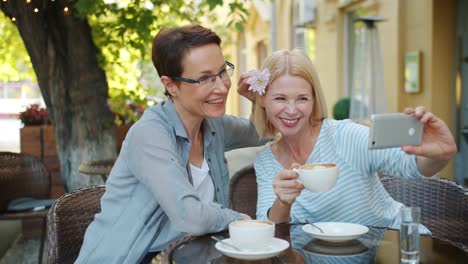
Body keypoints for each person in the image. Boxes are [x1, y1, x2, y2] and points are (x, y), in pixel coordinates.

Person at [76, 25, 262, 263]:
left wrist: (257, 100)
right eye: (205, 78)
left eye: (222, 72)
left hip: (189, 253)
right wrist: (239, 220)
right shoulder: (150, 134)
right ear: (171, 85)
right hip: (133, 257)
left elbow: (260, 133)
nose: (222, 86)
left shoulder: (213, 124)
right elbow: (191, 217)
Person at [238, 49, 457, 229]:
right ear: (263, 100)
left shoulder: (346, 136)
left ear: (314, 99)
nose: (292, 110)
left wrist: (440, 155)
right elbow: (271, 226)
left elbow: (410, 165)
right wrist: (283, 201)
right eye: (280, 98)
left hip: (390, 247)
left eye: (302, 98)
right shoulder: (266, 160)